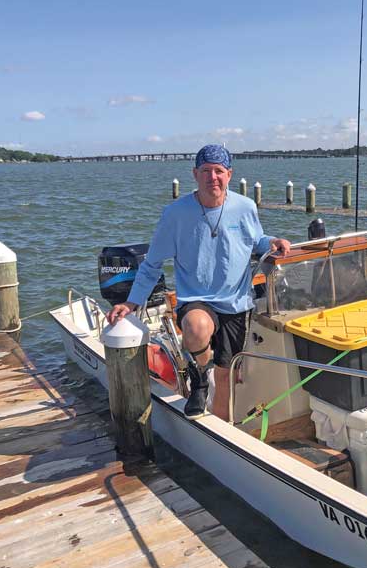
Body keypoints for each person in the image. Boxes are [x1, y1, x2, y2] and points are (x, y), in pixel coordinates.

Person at [106, 144, 291, 420]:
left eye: (218, 171)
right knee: (196, 326)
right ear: (195, 174)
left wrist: (273, 242)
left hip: (236, 302)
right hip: (197, 299)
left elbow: (256, 240)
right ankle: (200, 379)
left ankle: (220, 429)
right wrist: (132, 302)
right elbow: (152, 264)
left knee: (226, 379)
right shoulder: (175, 214)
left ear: (229, 174)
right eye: (206, 171)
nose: (212, 177)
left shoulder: (245, 207)